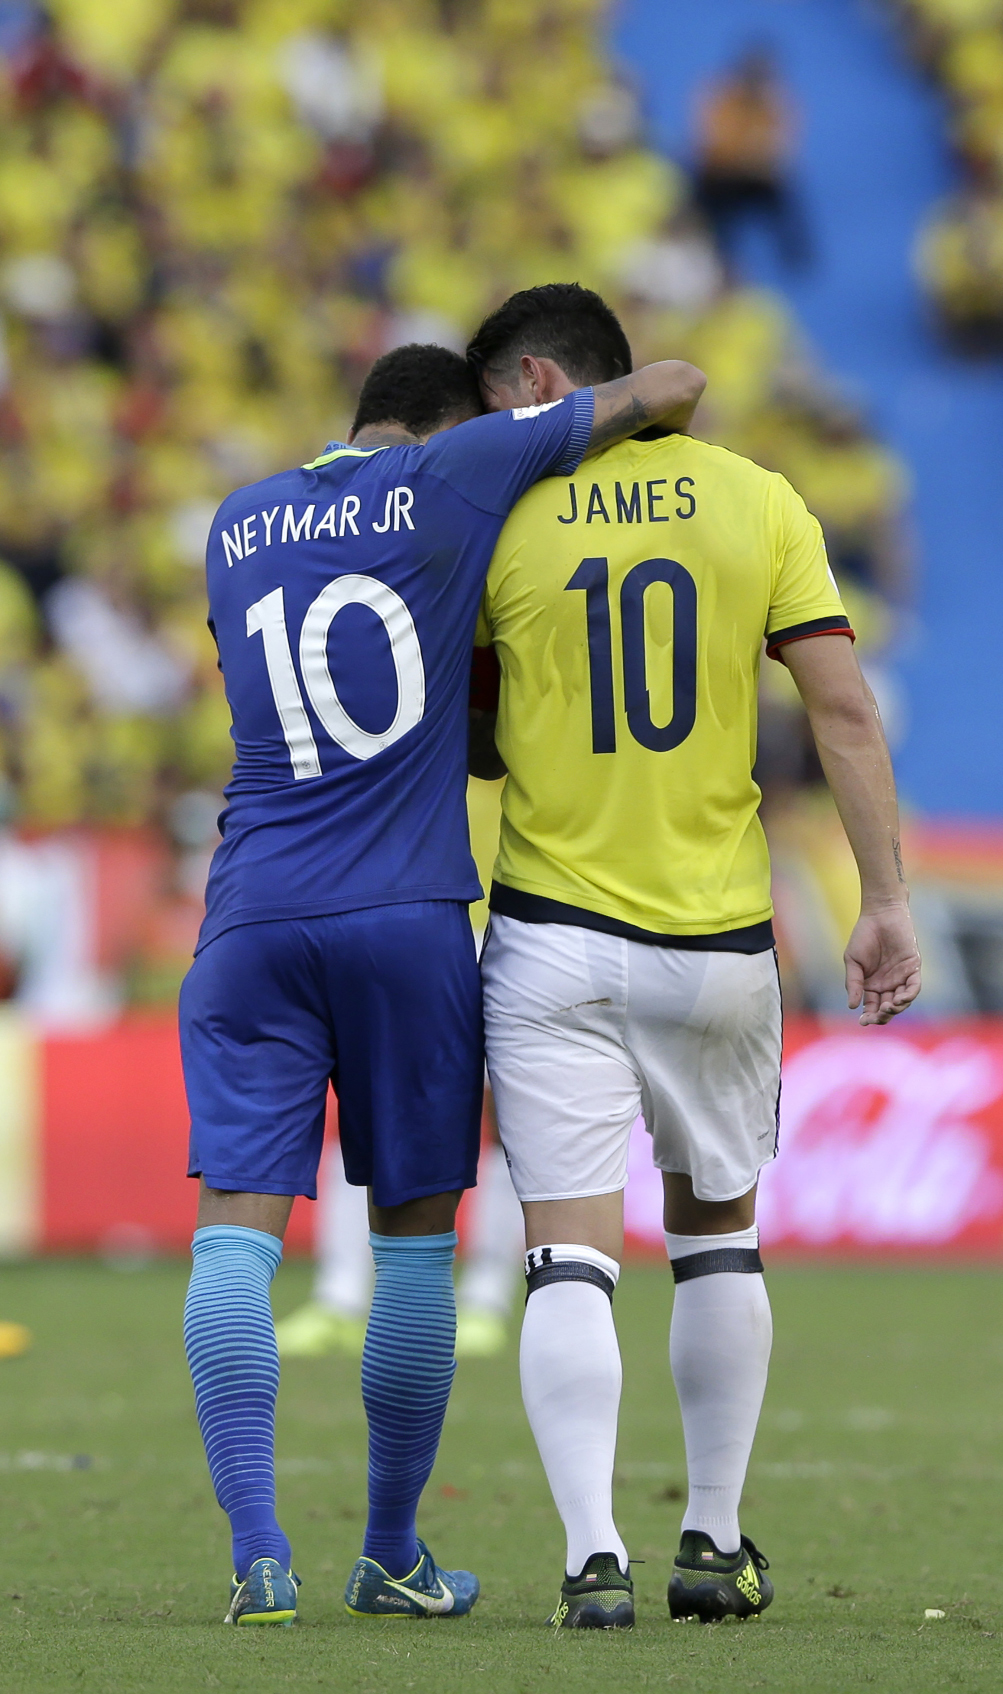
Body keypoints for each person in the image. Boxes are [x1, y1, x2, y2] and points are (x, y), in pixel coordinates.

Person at [178, 338, 707, 1627]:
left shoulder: (236, 521)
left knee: (234, 1236)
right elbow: (674, 382)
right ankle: (392, 1550)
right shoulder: (456, 468)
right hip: (407, 919)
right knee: (415, 1249)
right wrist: (542, 421)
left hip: (251, 912)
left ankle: (257, 1553)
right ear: (438, 426)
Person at [465, 283, 921, 1628]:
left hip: (550, 932)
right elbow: (837, 707)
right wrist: (881, 895)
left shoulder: (502, 518)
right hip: (716, 935)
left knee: (565, 1256)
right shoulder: (759, 499)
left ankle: (591, 1553)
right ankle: (712, 1540)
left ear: (547, 386)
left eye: (500, 405)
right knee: (717, 1236)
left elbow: (470, 735)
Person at [692, 47, 809, 271]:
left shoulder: (778, 102)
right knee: (707, 206)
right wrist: (748, 154)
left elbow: (783, 151)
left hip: (758, 177)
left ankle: (795, 253)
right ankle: (719, 253)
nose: (755, 85)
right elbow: (710, 145)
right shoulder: (716, 96)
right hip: (721, 175)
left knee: (784, 195)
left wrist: (753, 157)